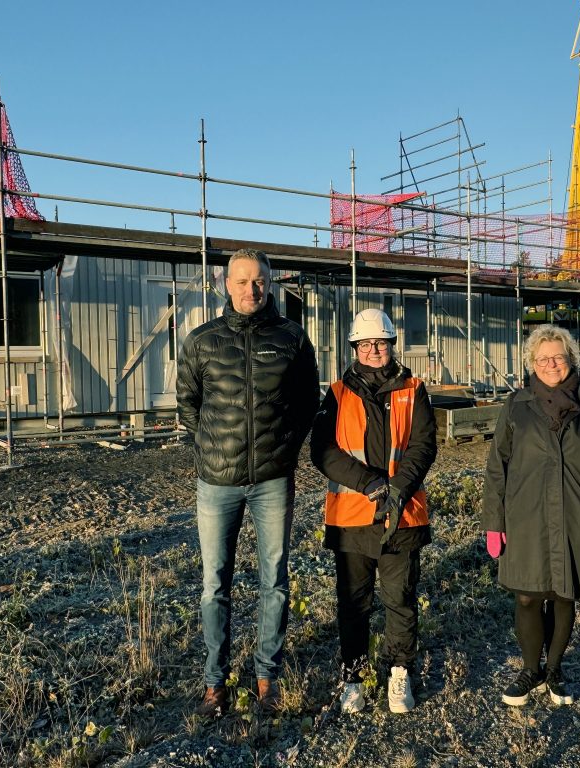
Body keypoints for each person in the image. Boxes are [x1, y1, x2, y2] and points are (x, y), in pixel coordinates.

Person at [176, 248, 319, 718]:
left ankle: (266, 677)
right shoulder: (201, 341)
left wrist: (284, 451)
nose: (250, 290)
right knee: (213, 584)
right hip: (216, 483)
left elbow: (305, 405)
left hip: (273, 482)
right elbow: (188, 405)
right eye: (241, 281)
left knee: (274, 581)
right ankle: (214, 683)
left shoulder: (292, 339)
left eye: (258, 281)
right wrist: (209, 452)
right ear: (225, 284)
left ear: (271, 283)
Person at [481, 324, 580, 708]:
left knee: (565, 595)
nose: (551, 364)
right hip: (525, 518)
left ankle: (555, 668)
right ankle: (531, 669)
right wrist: (494, 523)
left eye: (558, 357)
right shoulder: (516, 405)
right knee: (527, 596)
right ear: (531, 364)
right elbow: (498, 467)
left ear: (571, 360)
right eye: (542, 358)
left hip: (579, 518)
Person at [310, 308, 437, 715]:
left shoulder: (413, 389)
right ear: (355, 348)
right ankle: (353, 678)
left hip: (402, 514)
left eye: (380, 343)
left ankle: (399, 672)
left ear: (391, 345)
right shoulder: (337, 393)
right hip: (353, 516)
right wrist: (370, 484)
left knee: (400, 597)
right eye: (366, 344)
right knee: (353, 602)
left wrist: (397, 488)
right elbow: (322, 451)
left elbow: (423, 444)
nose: (374, 350)